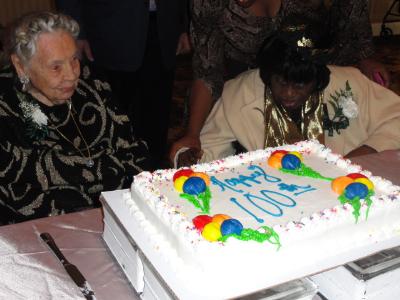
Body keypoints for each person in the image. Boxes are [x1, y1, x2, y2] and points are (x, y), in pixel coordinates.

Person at [170, 0, 389, 164]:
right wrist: (193, 134)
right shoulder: (237, 94)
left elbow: (350, 5)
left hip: (310, 71)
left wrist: (365, 55)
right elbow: (207, 69)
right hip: (248, 84)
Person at [0, 12, 150, 225]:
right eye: (56, 67)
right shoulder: (6, 110)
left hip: (118, 216)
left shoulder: (95, 88)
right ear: (21, 66)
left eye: (74, 60)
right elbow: (19, 190)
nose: (71, 75)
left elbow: (135, 153)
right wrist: (100, 170)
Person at [56, 0, 190, 168]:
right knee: (112, 117)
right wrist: (76, 33)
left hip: (164, 26)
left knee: (156, 116)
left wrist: (184, 25)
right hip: (109, 30)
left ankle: (151, 177)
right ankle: (112, 177)